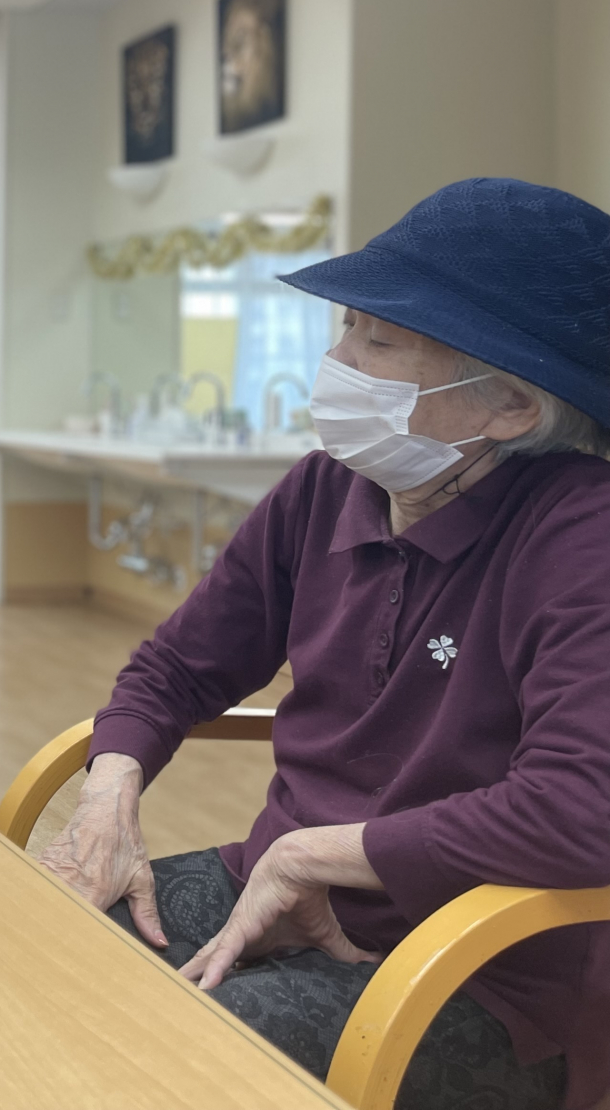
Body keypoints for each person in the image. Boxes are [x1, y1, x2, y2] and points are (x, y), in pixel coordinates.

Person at [40, 178, 610, 1110]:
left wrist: (317, 854)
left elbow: (584, 808)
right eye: (347, 327)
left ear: (508, 405)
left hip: (477, 967)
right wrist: (107, 802)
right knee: (32, 946)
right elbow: (176, 669)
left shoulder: (582, 536)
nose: (337, 360)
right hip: (273, 885)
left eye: (378, 341)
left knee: (165, 1062)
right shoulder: (322, 490)